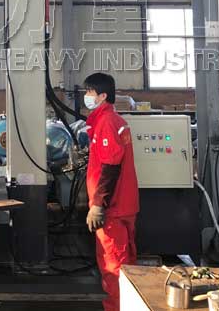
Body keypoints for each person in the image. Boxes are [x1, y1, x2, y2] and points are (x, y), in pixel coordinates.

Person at [83, 72, 139, 311]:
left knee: (113, 268)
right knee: (125, 266)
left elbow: (110, 167)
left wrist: (98, 205)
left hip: (112, 211)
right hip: (123, 205)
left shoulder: (106, 122)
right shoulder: (112, 120)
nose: (86, 96)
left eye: (90, 92)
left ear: (103, 96)